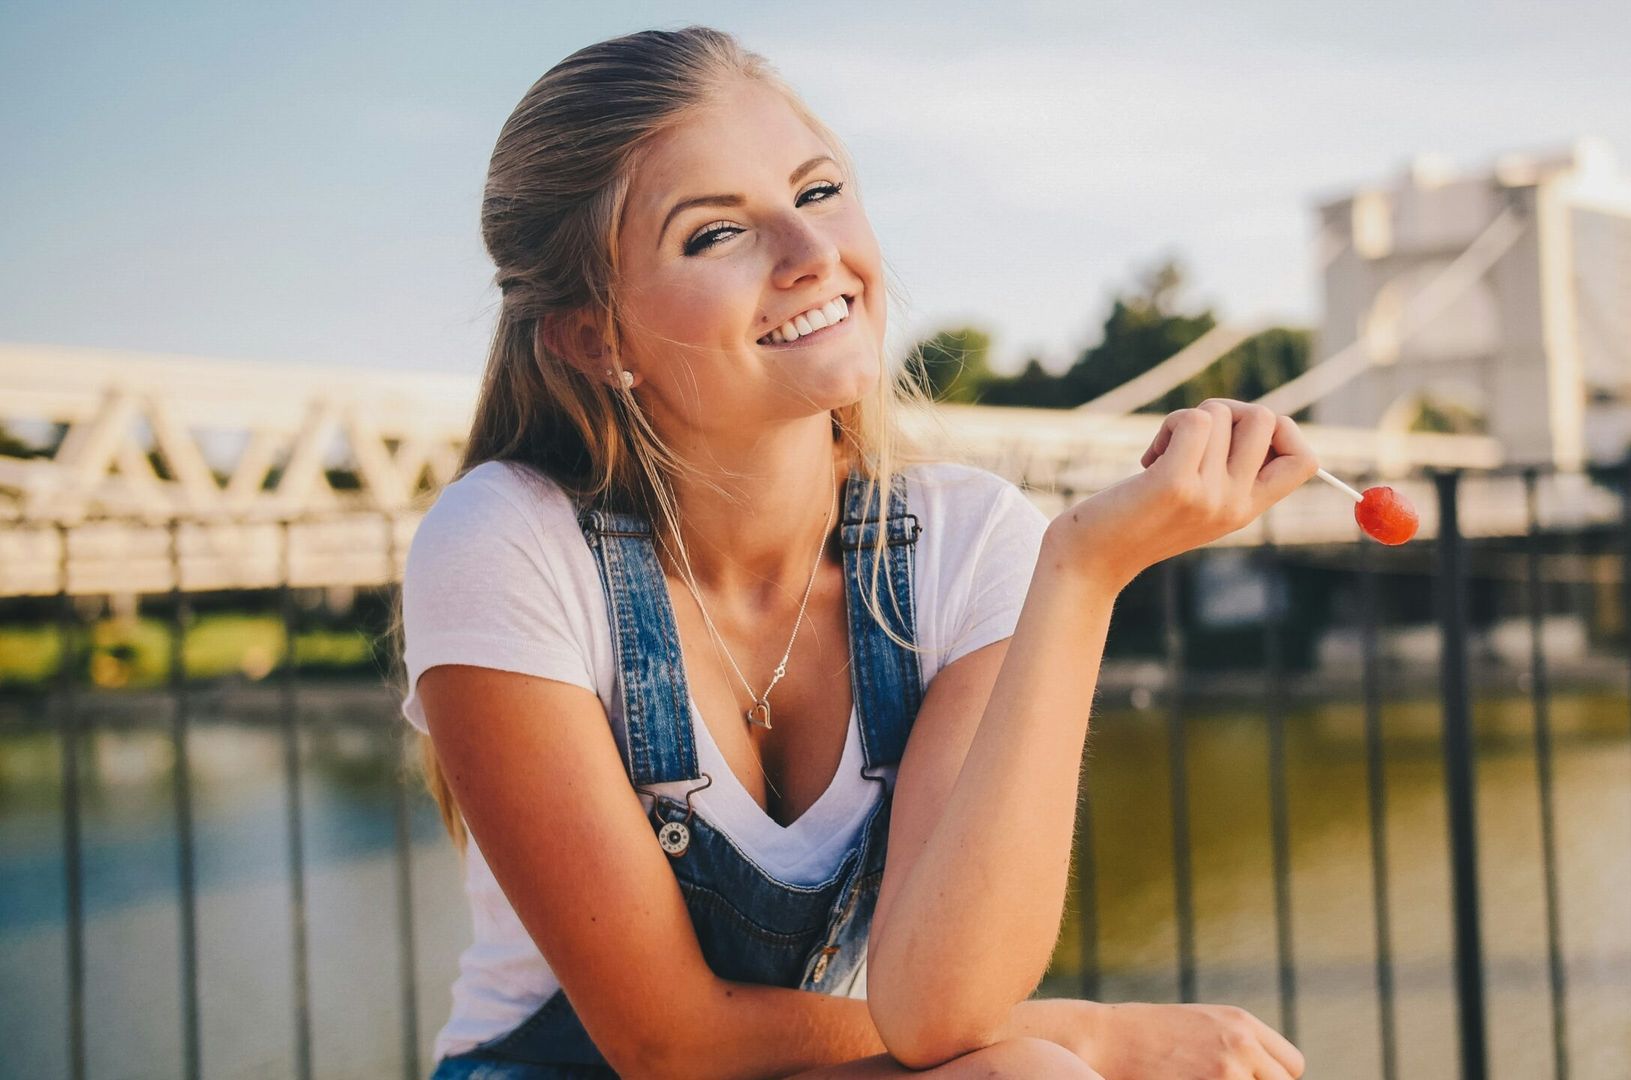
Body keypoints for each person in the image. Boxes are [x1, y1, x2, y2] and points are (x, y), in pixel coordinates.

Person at [401, 26, 1317, 1080]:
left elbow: (939, 1014)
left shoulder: (968, 545)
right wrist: (1093, 1032)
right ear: (594, 337)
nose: (810, 254)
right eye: (713, 235)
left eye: (821, 190)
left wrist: (1083, 573)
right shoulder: (509, 542)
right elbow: (666, 1042)